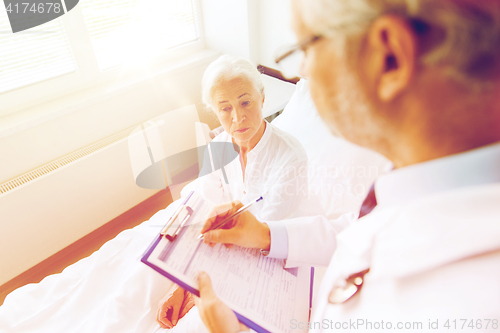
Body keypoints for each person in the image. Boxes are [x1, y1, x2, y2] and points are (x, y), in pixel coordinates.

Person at [193, 0, 500, 332]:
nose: (303, 72)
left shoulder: (472, 303)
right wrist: (267, 235)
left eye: (306, 48)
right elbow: (355, 231)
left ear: (389, 57)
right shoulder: (418, 175)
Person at [155, 54, 312, 329]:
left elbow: (262, 235)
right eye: (225, 108)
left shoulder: (291, 158)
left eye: (245, 102)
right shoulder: (218, 150)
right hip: (228, 251)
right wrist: (181, 285)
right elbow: (205, 216)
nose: (238, 117)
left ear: (262, 98)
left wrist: (198, 286)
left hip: (273, 253)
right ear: (214, 111)